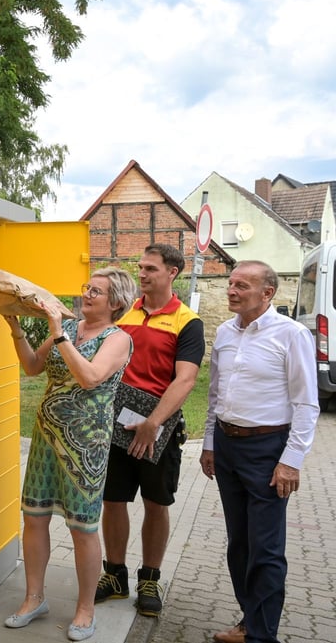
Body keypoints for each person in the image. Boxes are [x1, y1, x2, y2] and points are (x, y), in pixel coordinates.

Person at [2, 268, 138, 642]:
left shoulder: (118, 339)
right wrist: (15, 329)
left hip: (86, 445)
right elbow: (32, 367)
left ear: (116, 303)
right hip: (46, 437)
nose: (87, 294)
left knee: (82, 527)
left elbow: (90, 377)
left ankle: (85, 609)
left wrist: (57, 332)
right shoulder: (69, 329)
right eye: (87, 287)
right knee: (34, 517)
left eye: (96, 291)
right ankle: (34, 599)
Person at [199, 261, 319, 643]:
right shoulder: (223, 332)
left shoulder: (291, 334)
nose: (231, 290)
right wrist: (209, 443)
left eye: (242, 286)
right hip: (226, 445)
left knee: (265, 549)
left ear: (268, 293)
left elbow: (306, 403)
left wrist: (291, 461)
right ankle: (250, 622)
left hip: (267, 451)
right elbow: (215, 394)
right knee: (239, 544)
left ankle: (261, 636)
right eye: (231, 283)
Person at [95, 243, 205, 617]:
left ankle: (150, 579)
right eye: (140, 267)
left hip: (159, 428)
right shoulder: (125, 312)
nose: (142, 274)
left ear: (172, 272)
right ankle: (114, 575)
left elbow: (185, 379)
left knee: (156, 504)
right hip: (116, 425)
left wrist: (153, 423)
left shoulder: (187, 321)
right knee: (113, 500)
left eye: (150, 269)